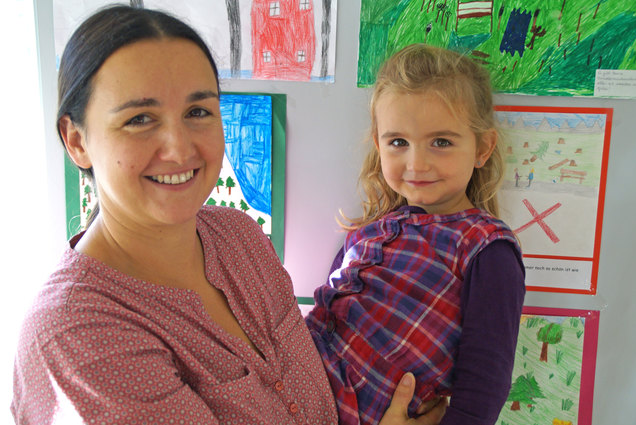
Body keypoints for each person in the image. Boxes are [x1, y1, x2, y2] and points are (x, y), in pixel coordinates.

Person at [11, 6, 446, 425]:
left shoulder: (237, 235)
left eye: (198, 111)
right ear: (77, 141)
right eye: (140, 118)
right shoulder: (79, 337)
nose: (180, 149)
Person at [306, 44, 526, 425]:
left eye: (441, 142)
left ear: (482, 147)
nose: (416, 163)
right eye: (398, 142)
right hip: (289, 386)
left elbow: (484, 384)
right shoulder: (364, 234)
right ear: (379, 146)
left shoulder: (487, 251)